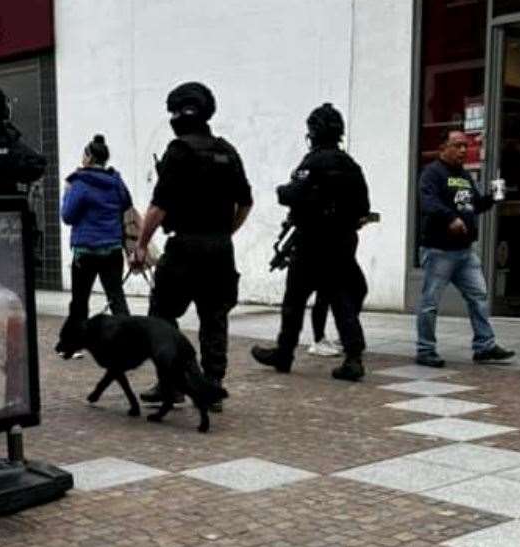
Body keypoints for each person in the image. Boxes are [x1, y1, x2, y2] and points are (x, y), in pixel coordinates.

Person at [130, 81, 253, 404]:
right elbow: (246, 203)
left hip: (185, 248)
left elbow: (159, 207)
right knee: (215, 318)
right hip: (220, 250)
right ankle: (212, 386)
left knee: (161, 315)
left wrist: (141, 245)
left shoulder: (179, 151)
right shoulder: (227, 151)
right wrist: (225, 232)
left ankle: (173, 383)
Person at [251, 103, 370, 381]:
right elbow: (363, 206)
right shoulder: (351, 166)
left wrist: (283, 190)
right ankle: (354, 358)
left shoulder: (312, 162)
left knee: (294, 301)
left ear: (314, 133)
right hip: (341, 243)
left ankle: (284, 353)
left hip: (311, 243)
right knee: (342, 301)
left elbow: (291, 194)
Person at [416, 130, 514, 368]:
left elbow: (474, 205)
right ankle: (425, 350)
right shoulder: (432, 173)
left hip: (465, 251)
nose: (463, 150)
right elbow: (428, 203)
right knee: (430, 302)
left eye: (465, 146)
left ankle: (484, 346)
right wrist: (450, 218)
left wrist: (491, 198)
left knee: (478, 295)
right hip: (439, 250)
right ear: (443, 148)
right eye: (457, 145)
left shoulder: (464, 176)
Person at [61, 134, 133, 326]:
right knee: (116, 297)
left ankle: (75, 342)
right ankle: (129, 339)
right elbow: (126, 203)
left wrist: (66, 193)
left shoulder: (80, 183)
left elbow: (67, 216)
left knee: (80, 300)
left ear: (89, 157)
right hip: (113, 250)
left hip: (86, 250)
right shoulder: (116, 182)